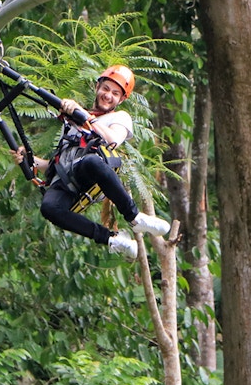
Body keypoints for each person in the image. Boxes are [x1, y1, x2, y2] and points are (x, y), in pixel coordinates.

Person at [13, 65, 170, 260]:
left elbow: (113, 139)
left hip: (91, 172)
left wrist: (83, 116)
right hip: (66, 177)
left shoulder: (119, 117)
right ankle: (112, 239)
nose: (108, 95)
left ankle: (134, 217)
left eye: (115, 93)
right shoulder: (73, 121)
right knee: (49, 207)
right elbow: (59, 161)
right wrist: (31, 161)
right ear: (97, 87)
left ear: (121, 100)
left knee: (91, 162)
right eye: (105, 89)